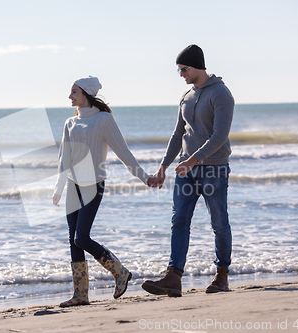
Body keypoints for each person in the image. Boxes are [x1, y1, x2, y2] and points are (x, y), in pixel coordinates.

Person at [143, 44, 234, 296]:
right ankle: (173, 277)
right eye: (178, 70)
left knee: (219, 223)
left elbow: (219, 135)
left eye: (184, 69)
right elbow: (177, 134)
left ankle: (222, 276)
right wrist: (163, 166)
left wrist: (193, 160)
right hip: (186, 169)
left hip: (213, 169)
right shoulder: (186, 97)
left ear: (197, 66)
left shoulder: (221, 94)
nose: (181, 74)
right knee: (179, 221)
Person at [52, 76, 151, 307]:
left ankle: (120, 272)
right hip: (72, 186)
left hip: (93, 185)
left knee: (81, 237)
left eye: (74, 92)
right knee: (73, 241)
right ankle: (80, 295)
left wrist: (144, 177)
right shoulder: (70, 123)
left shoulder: (104, 120)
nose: (70, 96)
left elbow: (123, 152)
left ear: (86, 93)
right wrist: (58, 188)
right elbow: (63, 159)